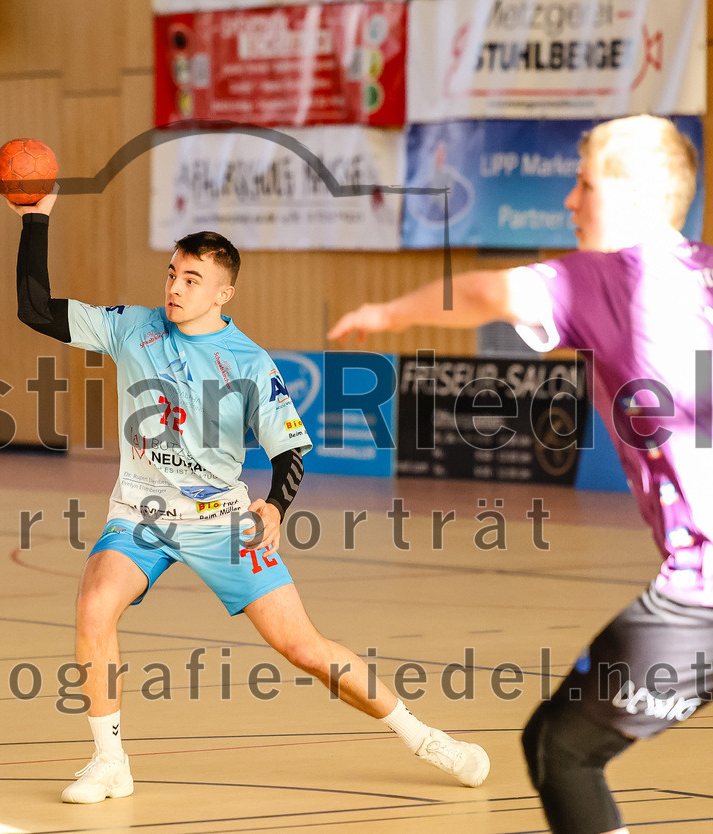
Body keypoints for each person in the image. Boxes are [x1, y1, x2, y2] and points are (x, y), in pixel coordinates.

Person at [10, 188, 490, 803]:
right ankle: (110, 762)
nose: (175, 288)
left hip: (221, 520)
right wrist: (36, 219)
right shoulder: (132, 327)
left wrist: (276, 507)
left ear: (223, 293)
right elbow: (34, 308)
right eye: (172, 274)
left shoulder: (249, 362)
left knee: (304, 648)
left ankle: (427, 739)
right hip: (141, 514)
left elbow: (291, 450)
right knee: (95, 606)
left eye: (192, 279)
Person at [329, 114, 713, 834]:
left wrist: (390, 311)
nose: (570, 200)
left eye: (585, 184)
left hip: (703, 597)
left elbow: (486, 294)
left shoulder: (610, 277)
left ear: (635, 195)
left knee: (559, 749)